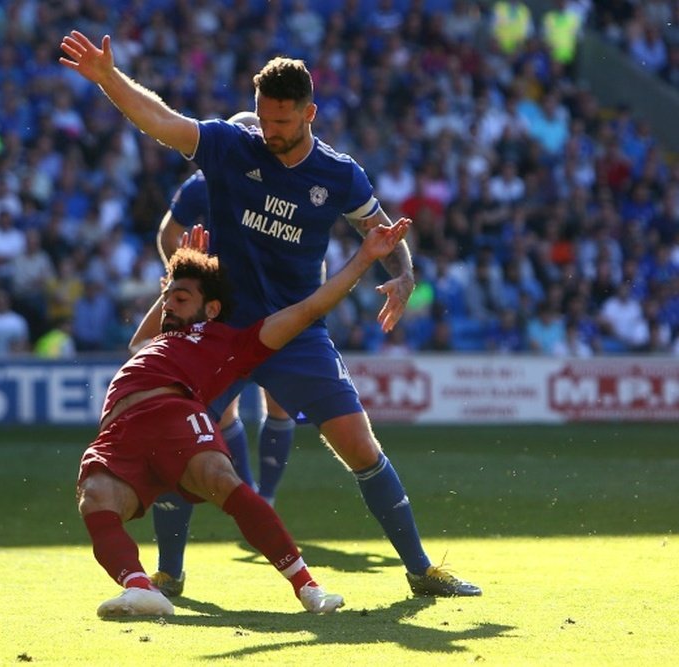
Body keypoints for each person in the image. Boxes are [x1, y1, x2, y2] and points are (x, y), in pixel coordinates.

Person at [60, 31, 480, 598]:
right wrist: (110, 77)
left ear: (309, 113)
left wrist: (403, 274)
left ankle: (420, 570)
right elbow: (160, 120)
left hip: (296, 331)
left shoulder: (339, 174)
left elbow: (379, 231)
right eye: (263, 118)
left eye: (281, 122)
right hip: (222, 329)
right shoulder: (232, 146)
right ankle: (169, 574)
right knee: (166, 438)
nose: (270, 131)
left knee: (361, 447)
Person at [79, 219, 408, 617]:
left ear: (211, 309)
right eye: (166, 299)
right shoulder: (161, 339)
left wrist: (364, 258)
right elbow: (138, 340)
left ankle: (307, 588)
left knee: (219, 479)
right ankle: (138, 586)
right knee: (95, 498)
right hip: (118, 431)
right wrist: (178, 276)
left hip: (174, 415)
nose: (167, 306)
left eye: (180, 300)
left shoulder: (232, 341)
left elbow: (310, 308)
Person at [152, 111, 296, 595]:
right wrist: (189, 278)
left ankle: (264, 498)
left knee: (278, 401)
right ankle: (243, 501)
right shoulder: (203, 183)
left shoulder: (285, 178)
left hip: (272, 310)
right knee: (209, 412)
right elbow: (167, 234)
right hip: (224, 316)